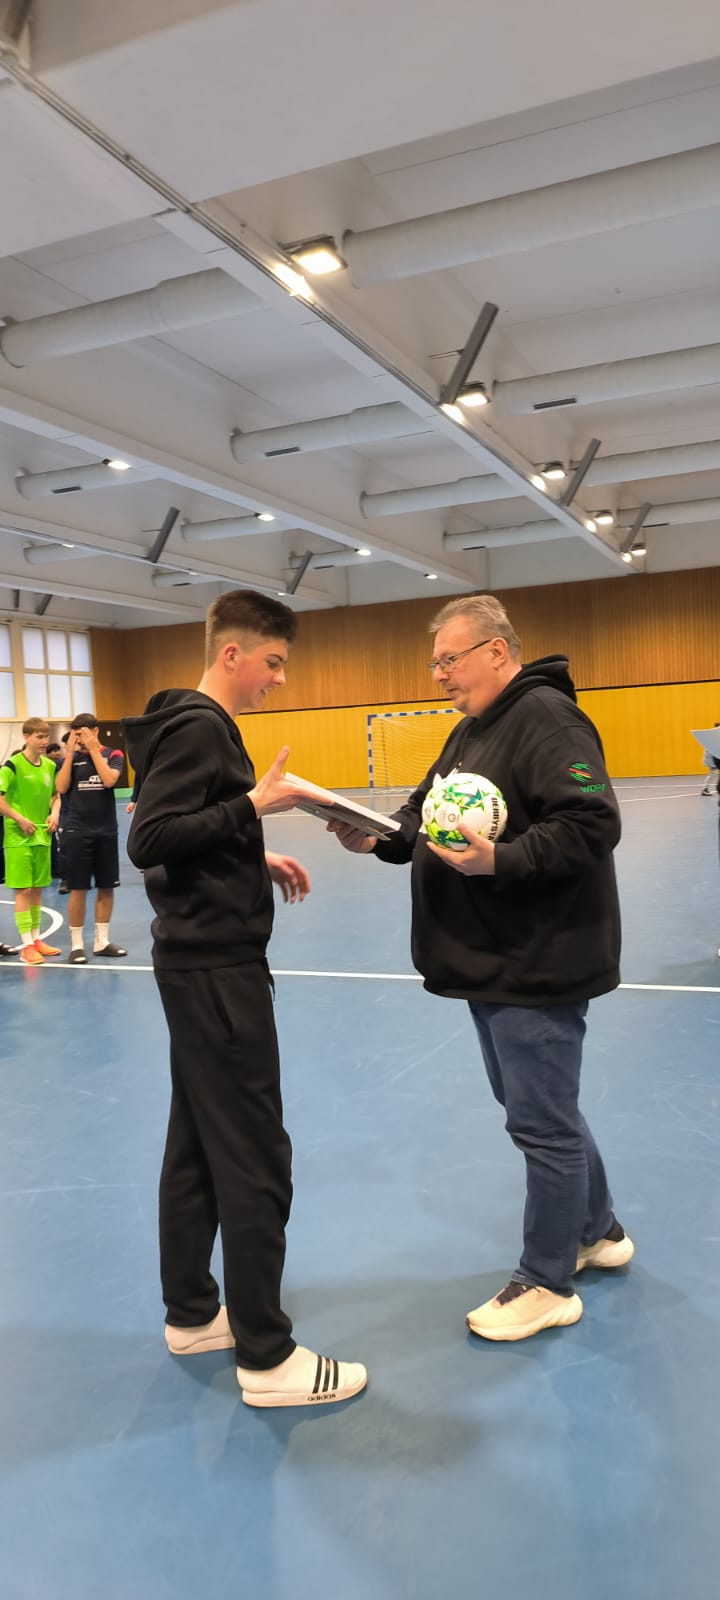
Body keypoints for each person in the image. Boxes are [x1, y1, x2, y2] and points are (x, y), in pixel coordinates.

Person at [331, 592, 633, 1343]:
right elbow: (422, 811)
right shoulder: (475, 729)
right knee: (540, 1111)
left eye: (448, 659)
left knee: (541, 1123)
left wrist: (504, 859)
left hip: (537, 959)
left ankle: (547, 1281)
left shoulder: (545, 719)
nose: (438, 675)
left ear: (496, 651)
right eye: (435, 661)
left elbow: (593, 820)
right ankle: (598, 1230)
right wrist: (377, 837)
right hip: (495, 959)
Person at [124, 589, 367, 1408]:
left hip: (196, 965)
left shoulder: (177, 723)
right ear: (233, 655)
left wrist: (248, 855)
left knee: (195, 1144)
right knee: (258, 1158)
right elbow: (148, 840)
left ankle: (194, 1312)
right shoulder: (199, 724)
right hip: (217, 974)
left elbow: (180, 836)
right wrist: (254, 808)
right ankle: (268, 1358)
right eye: (272, 662)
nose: (277, 679)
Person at [54, 713, 127, 964]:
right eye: (76, 733)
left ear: (95, 731)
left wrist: (95, 750)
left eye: (84, 732)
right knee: (78, 888)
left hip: (105, 830)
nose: (80, 738)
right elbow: (61, 788)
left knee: (106, 886)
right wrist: (70, 755)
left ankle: (101, 941)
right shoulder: (67, 759)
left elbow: (108, 781)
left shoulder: (114, 755)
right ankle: (76, 945)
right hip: (77, 831)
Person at [0, 717, 62, 965]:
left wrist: (54, 812)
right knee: (24, 891)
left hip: (41, 835)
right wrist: (19, 818)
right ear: (26, 737)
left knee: (37, 889)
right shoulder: (11, 766)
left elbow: (56, 796)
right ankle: (26, 945)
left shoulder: (49, 766)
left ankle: (36, 940)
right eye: (39, 737)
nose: (44, 741)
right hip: (18, 836)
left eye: (46, 736)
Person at [701, 725, 720, 794]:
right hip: (712, 760)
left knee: (711, 774)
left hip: (712, 760)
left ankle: (705, 788)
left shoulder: (713, 737)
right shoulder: (714, 738)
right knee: (711, 774)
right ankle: (705, 789)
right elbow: (712, 751)